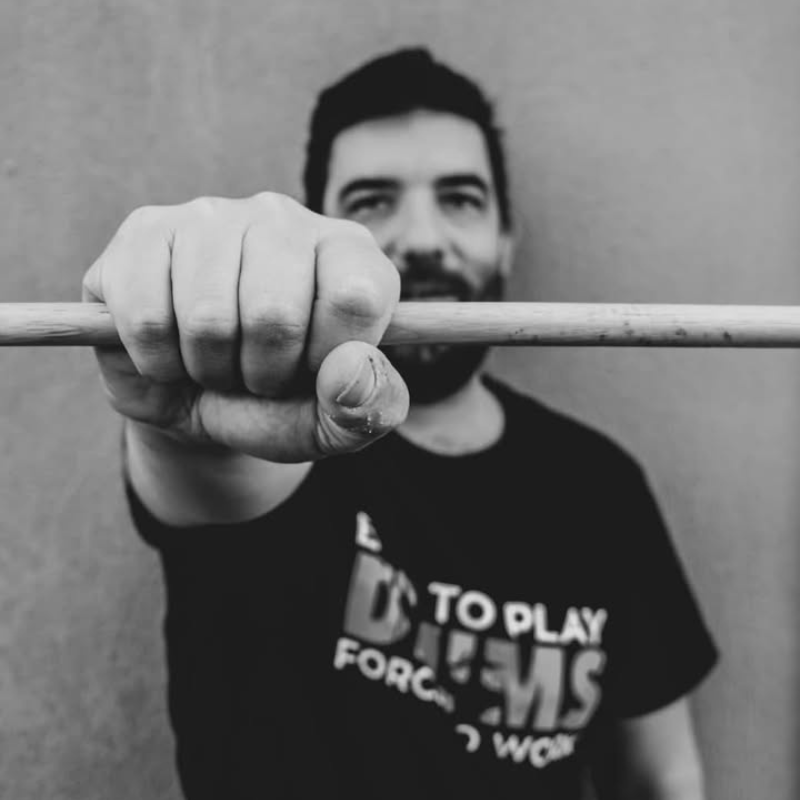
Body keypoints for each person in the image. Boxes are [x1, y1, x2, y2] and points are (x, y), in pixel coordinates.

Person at [84, 48, 718, 799]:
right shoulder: (263, 444)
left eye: (461, 198)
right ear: (312, 235)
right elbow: (204, 458)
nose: (420, 238)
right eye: (373, 200)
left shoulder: (599, 485)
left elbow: (661, 776)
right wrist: (184, 401)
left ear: (507, 238)